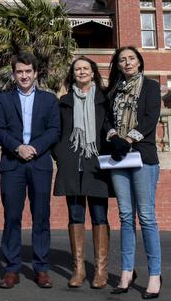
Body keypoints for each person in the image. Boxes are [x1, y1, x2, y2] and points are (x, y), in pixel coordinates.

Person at [0, 51, 60, 289]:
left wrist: (34, 148)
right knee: (12, 217)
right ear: (13, 74)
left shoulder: (49, 100)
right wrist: (18, 147)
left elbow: (54, 130)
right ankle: (12, 269)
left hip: (40, 163)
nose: (24, 75)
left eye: (28, 71)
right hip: (13, 165)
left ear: (35, 73)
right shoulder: (3, 99)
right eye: (19, 71)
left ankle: (41, 268)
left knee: (41, 217)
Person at [52, 56, 114, 288]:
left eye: (86, 68)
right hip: (72, 167)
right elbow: (56, 132)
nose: (81, 72)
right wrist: (61, 155)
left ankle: (100, 270)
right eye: (77, 69)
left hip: (97, 166)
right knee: (75, 216)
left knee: (99, 217)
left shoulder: (104, 99)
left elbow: (110, 128)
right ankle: (79, 270)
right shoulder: (64, 101)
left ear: (93, 72)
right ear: (73, 74)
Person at [105, 46, 162, 299]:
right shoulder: (113, 90)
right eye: (122, 60)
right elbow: (106, 119)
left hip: (142, 156)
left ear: (139, 62)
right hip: (118, 158)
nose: (127, 63)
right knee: (126, 216)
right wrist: (114, 136)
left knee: (147, 217)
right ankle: (127, 272)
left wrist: (128, 139)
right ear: (118, 65)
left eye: (131, 59)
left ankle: (154, 274)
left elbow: (151, 118)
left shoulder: (150, 86)